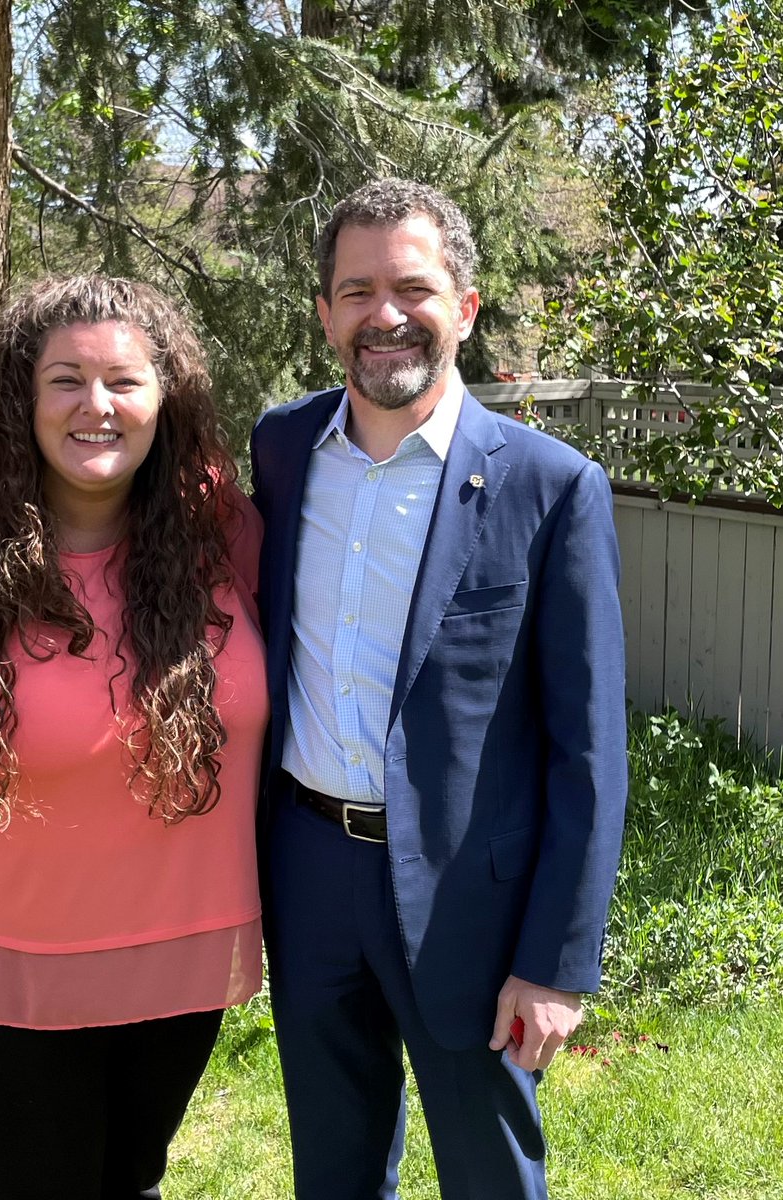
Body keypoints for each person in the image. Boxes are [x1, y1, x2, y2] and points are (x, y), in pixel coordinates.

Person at [0, 275, 267, 1199]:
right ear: (21, 402)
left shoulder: (220, 534)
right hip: (6, 976)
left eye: (123, 380)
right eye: (65, 380)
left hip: (180, 967)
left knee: (133, 1180)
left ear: (166, 398)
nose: (96, 406)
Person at [249, 179, 627, 1199]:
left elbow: (588, 753)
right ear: (325, 312)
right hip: (308, 869)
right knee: (332, 1163)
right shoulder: (280, 453)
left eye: (413, 287)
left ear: (463, 306)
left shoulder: (550, 487)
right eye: (357, 290)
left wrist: (556, 962)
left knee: (490, 1172)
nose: (384, 315)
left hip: (474, 899)